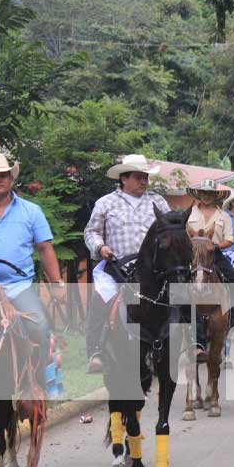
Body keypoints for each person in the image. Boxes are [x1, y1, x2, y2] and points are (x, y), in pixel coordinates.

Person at [0, 152, 64, 386]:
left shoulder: (31, 211)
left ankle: (39, 384)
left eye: (3, 175)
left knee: (40, 327)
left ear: (11, 179)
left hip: (18, 286)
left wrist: (57, 284)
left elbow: (45, 248)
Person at [84, 154, 171, 373]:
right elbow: (91, 231)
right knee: (100, 300)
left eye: (145, 177)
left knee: (180, 296)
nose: (144, 181)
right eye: (138, 177)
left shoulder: (158, 202)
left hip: (154, 271)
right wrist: (100, 247)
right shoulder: (105, 203)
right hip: (118, 268)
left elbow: (171, 231)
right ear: (124, 179)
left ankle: (189, 344)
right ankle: (96, 350)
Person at [186, 180, 234, 357]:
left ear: (215, 195)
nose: (206, 196)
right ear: (199, 194)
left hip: (215, 254)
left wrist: (216, 246)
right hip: (193, 256)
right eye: (203, 192)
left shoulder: (224, 216)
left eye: (209, 193)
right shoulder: (189, 214)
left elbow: (230, 239)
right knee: (176, 284)